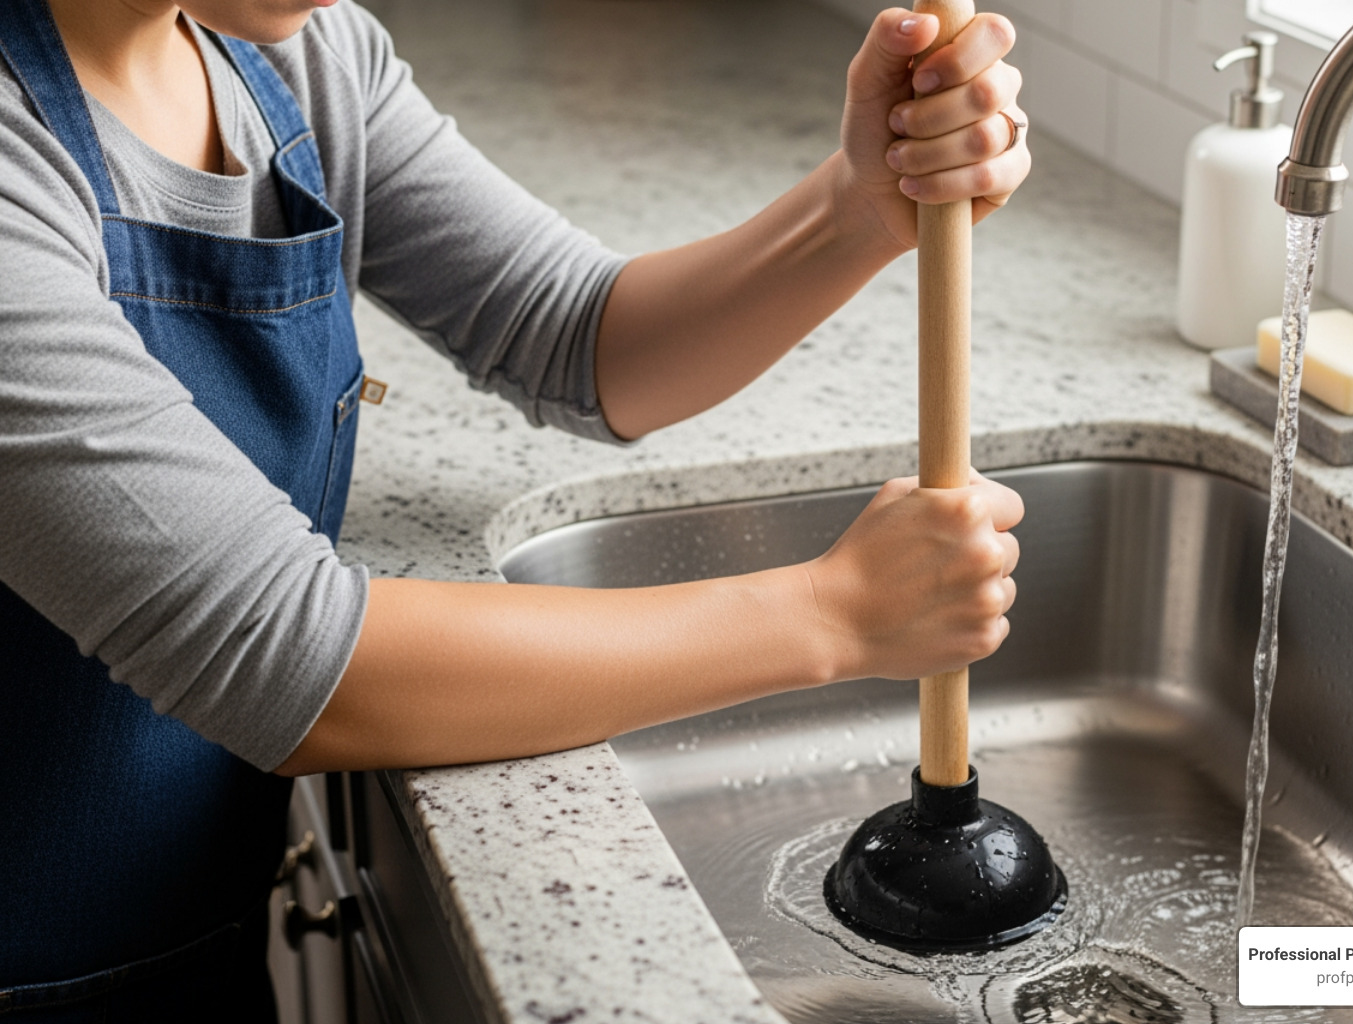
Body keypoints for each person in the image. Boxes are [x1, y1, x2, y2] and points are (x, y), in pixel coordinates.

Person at [0, 0, 1030, 1017]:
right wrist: (833, 613)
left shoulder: (298, 60)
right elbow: (279, 653)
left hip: (183, 927)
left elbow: (577, 337)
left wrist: (856, 208)